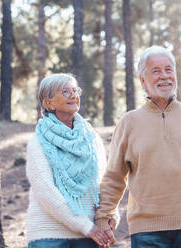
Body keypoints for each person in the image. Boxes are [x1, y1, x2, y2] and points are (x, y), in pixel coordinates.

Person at [95, 46, 181, 248]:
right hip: (146, 230)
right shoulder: (129, 122)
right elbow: (114, 177)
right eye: (156, 71)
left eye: (169, 70)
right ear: (143, 81)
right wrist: (103, 217)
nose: (165, 76)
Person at [25, 73, 116, 248]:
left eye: (75, 90)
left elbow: (102, 182)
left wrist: (109, 217)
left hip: (89, 236)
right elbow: (45, 191)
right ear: (48, 103)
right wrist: (86, 227)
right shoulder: (38, 141)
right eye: (66, 91)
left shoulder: (92, 138)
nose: (74, 95)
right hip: (49, 236)